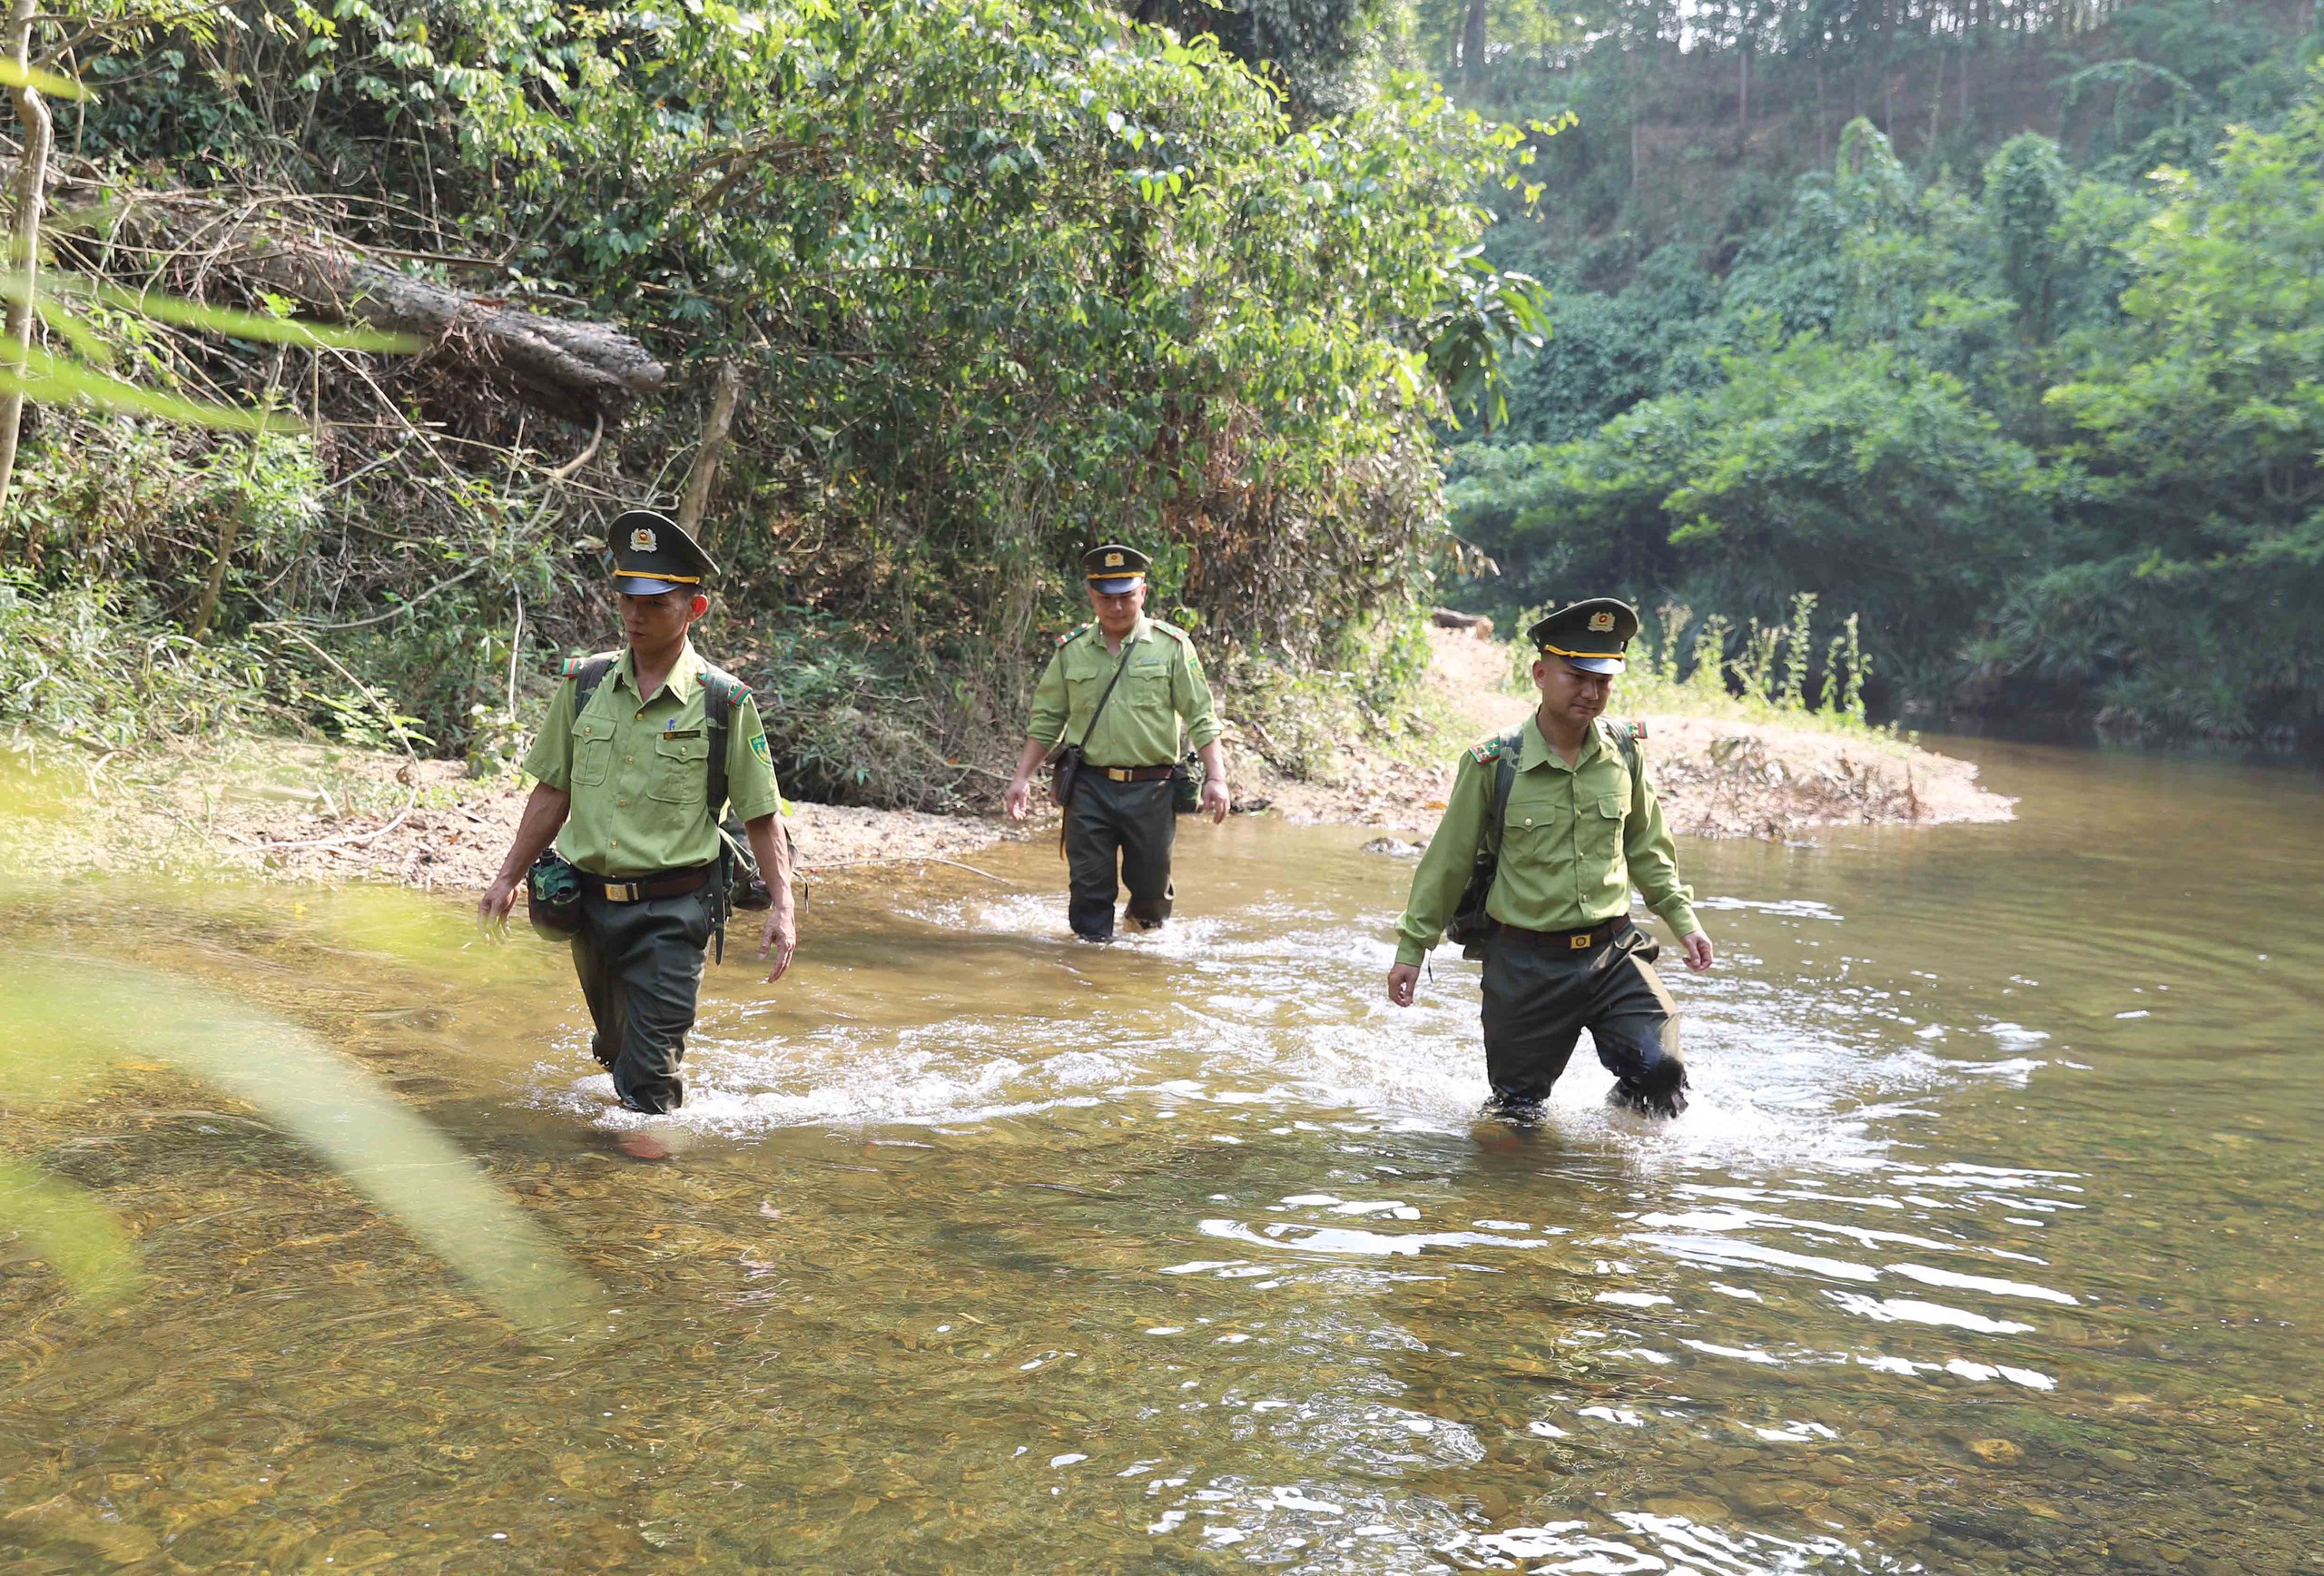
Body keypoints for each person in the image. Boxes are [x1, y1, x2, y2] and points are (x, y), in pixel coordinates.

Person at [478, 509, 797, 1114]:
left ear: (693, 609)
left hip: (675, 913)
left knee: (648, 1084)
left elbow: (760, 813)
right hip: (588, 908)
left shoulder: (725, 702)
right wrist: (507, 877)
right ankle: (617, 1181)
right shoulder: (585, 685)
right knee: (615, 1051)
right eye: (627, 597)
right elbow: (552, 794)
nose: (634, 614)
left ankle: (647, 1200)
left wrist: (782, 906)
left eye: (653, 602)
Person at [1384, 598, 1714, 1119]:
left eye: (1604, 680)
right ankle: (1529, 1195)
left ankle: (1621, 1171)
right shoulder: (1495, 762)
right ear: (1541, 673)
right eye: (1577, 675)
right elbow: (1448, 862)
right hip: (1524, 965)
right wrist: (1412, 947)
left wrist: (1683, 919)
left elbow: (1647, 845)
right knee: (1518, 1112)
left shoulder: (1625, 751)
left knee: (1661, 1071)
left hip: (1612, 954)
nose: (1591, 692)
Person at [1002, 544, 1231, 941]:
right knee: (1089, 889)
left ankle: (1140, 959)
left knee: (1151, 891)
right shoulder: (1071, 652)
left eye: (1126, 596)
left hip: (1153, 788)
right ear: (1091, 595)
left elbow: (1201, 715)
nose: (1117, 607)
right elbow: (1046, 721)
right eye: (1106, 598)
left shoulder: (1172, 647)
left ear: (1143, 592)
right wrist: (1021, 778)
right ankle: (1089, 968)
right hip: (1089, 787)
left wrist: (1217, 778)